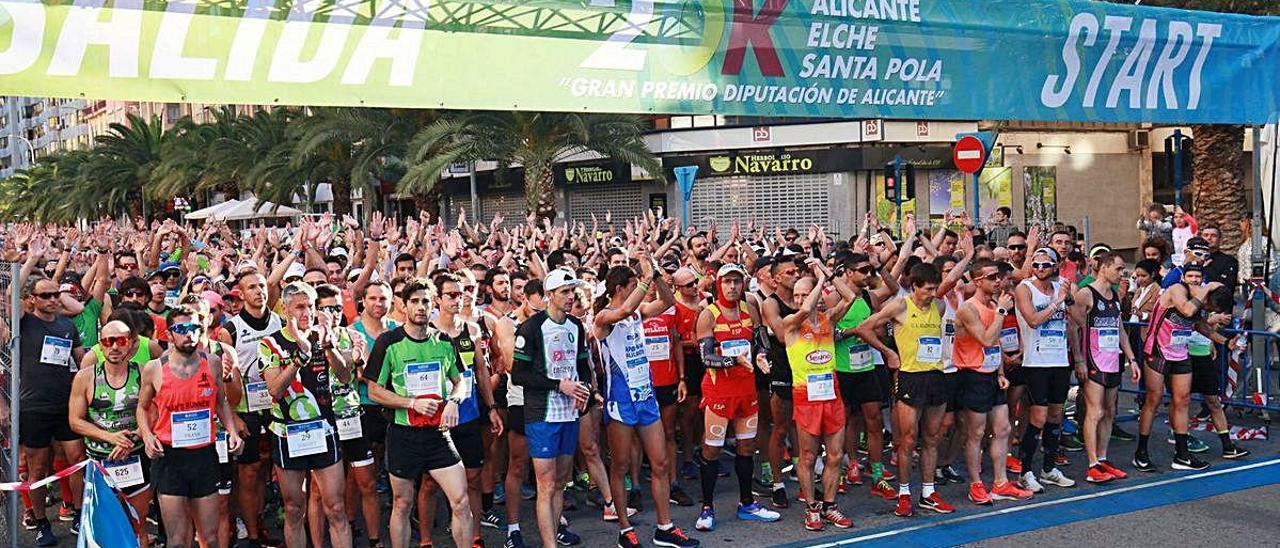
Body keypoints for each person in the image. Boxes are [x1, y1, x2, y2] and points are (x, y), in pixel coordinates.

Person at [594, 259, 701, 548]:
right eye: (633, 286)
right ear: (620, 288)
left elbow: (668, 301)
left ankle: (664, 527)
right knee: (621, 465)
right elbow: (624, 309)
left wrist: (655, 276)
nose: (641, 291)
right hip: (620, 400)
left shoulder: (639, 313)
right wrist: (644, 277)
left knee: (661, 462)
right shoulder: (604, 317)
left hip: (646, 397)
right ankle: (625, 530)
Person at [364, 278, 475, 548]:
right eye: (414, 301)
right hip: (403, 435)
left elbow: (461, 381)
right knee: (402, 503)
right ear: (403, 306)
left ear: (433, 304)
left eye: (426, 301)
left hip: (438, 434)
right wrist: (410, 403)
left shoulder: (444, 341)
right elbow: (374, 391)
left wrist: (453, 401)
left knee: (460, 500)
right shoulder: (388, 343)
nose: (421, 307)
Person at [137, 307, 244, 548]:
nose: (190, 334)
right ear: (170, 334)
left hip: (204, 456)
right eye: (182, 329)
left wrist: (232, 431)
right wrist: (146, 436)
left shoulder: (213, 363)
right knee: (177, 539)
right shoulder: (154, 368)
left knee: (211, 537)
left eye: (195, 328)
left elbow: (221, 403)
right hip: (170, 458)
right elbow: (142, 408)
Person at [855, 263, 955, 518]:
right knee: (907, 440)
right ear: (915, 286)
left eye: (935, 289)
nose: (933, 294)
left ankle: (928, 493)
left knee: (932, 438)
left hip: (936, 376)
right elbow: (865, 327)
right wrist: (888, 352)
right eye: (929, 289)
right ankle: (903, 493)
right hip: (910, 377)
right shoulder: (900, 306)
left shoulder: (939, 307)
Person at [259, 282, 353, 548]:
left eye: (310, 306)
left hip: (324, 430)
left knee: (335, 507)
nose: (306, 312)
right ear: (285, 308)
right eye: (299, 307)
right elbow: (275, 390)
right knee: (293, 508)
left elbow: (345, 378)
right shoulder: (271, 343)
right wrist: (300, 357)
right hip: (288, 433)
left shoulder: (325, 336)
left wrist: (330, 348)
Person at [416, 272, 504, 548]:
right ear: (438, 299)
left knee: (473, 479)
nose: (460, 298)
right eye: (452, 294)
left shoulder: (472, 329)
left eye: (463, 292)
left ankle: (475, 536)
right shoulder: (425, 330)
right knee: (430, 483)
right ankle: (426, 540)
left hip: (468, 414)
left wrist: (491, 407)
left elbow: (480, 371)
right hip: (435, 418)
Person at [692, 264, 782, 532]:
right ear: (718, 284)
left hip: (746, 391)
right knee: (712, 450)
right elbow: (706, 357)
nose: (732, 287)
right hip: (719, 393)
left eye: (737, 282)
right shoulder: (709, 315)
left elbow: (760, 340)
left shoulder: (749, 310)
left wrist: (761, 357)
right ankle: (707, 508)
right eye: (727, 282)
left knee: (746, 448)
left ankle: (747, 504)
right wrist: (734, 360)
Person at [511, 268, 592, 548]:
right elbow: (518, 375)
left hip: (569, 413)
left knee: (560, 482)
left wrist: (586, 391)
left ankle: (555, 534)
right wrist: (560, 385)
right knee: (545, 485)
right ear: (549, 296)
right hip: (541, 415)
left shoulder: (576, 326)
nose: (571, 297)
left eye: (573, 291)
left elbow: (583, 366)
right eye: (564, 292)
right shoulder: (531, 328)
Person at [779, 258, 856, 531]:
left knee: (835, 456)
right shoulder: (791, 323)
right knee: (809, 458)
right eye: (796, 294)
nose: (800, 299)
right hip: (805, 397)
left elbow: (850, 295)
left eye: (804, 293)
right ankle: (812, 507)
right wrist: (819, 282)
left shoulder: (828, 319)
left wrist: (824, 273)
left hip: (831, 396)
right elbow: (807, 309)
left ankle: (830, 505)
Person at [952, 259, 1031, 504]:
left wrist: (999, 373)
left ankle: (1000, 482)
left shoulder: (996, 304)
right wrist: (1000, 313)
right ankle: (976, 484)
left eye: (998, 276)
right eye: (991, 277)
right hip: (972, 374)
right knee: (976, 433)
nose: (997, 281)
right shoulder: (968, 308)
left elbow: (995, 342)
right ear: (977, 281)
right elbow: (985, 339)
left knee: (1003, 428)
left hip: (991, 374)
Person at [16, 276, 88, 545]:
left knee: (77, 460)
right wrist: (30, 261)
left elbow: (82, 361)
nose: (53, 299)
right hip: (33, 406)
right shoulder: (23, 322)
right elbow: (12, 293)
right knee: (38, 468)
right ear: (32, 299)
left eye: (55, 294)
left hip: (65, 404)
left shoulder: (67, 325)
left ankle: (81, 515)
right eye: (45, 295)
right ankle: (42, 523)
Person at [1134, 264, 1225, 472]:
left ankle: (1182, 455)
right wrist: (1206, 288)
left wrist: (1224, 341)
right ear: (1184, 277)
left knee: (1183, 400)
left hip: (1180, 352)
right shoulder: (1177, 289)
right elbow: (1187, 309)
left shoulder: (1199, 296)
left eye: (1198, 277)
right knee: (1153, 400)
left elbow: (1198, 323)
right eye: (1190, 276)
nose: (1194, 279)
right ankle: (1141, 452)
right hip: (1158, 351)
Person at [68, 320, 152, 545]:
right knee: (103, 529)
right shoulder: (85, 377)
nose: (114, 346)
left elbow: (153, 414)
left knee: (137, 525)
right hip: (99, 462)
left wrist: (131, 437)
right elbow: (75, 421)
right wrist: (111, 438)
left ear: (131, 344)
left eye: (121, 340)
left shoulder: (144, 374)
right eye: (108, 341)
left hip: (136, 458)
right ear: (101, 346)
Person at [217, 269, 283, 548]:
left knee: (269, 466)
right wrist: (232, 417)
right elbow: (221, 377)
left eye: (262, 286)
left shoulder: (279, 321)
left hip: (275, 404)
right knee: (248, 471)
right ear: (240, 294)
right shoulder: (229, 329)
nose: (259, 291)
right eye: (252, 287)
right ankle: (252, 534)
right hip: (244, 409)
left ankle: (259, 523)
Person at [830, 251, 898, 502]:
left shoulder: (870, 297)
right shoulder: (834, 297)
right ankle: (851, 466)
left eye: (870, 270)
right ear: (848, 273)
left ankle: (877, 472)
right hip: (842, 368)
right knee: (845, 421)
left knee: (874, 420)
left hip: (868, 367)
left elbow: (882, 328)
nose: (868, 275)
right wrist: (853, 331)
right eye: (863, 271)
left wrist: (871, 333)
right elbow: (827, 332)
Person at [1069, 252, 1139, 484]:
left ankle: (1102, 457)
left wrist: (1131, 358)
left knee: (1109, 411)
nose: (1122, 273)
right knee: (1095, 412)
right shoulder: (1086, 294)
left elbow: (1118, 328)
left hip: (1112, 359)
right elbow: (1073, 327)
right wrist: (1079, 359)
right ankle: (1091, 464)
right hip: (1093, 361)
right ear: (1105, 268)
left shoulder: (1115, 295)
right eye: (1118, 269)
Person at [1012, 248, 1077, 493]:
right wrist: (1057, 301)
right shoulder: (1025, 288)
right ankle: (1025, 471)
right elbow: (1033, 320)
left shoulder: (1063, 285)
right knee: (1037, 417)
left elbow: (1077, 320)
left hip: (1059, 360)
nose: (1040, 269)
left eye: (1046, 265)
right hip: (1036, 362)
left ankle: (1049, 469)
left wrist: (1069, 297)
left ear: (1055, 265)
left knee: (1056, 416)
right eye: (1036, 265)